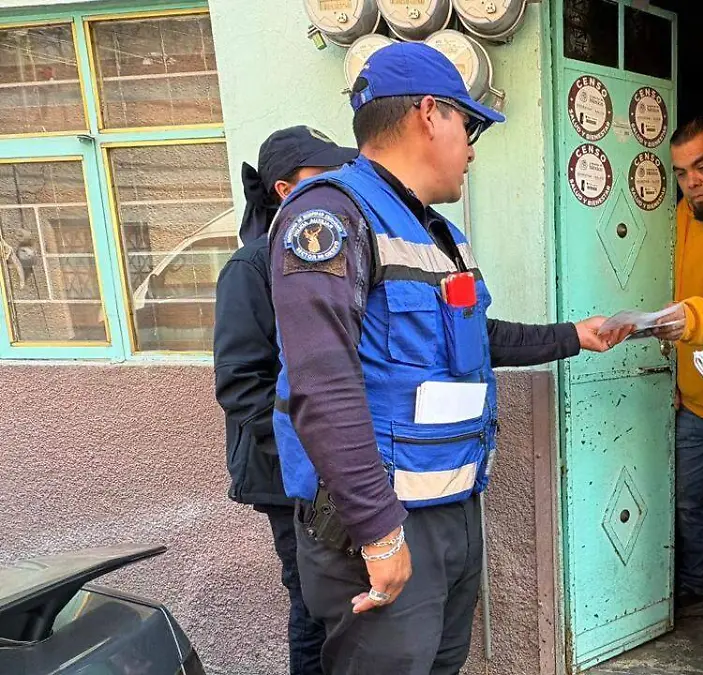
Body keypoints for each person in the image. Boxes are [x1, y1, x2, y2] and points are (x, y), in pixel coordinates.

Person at [267, 42, 625, 675]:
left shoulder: (438, 233)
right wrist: (379, 531)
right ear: (429, 114)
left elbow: (472, 340)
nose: (473, 149)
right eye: (470, 126)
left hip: (451, 508)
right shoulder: (330, 217)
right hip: (377, 520)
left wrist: (574, 335)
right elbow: (322, 385)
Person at [214, 125, 357, 675]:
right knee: (314, 604)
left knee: (346, 601)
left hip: (334, 466)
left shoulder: (324, 254)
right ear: (284, 189)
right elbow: (241, 386)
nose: (341, 185)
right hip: (287, 476)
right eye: (326, 174)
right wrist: (310, 457)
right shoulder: (252, 267)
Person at [654, 113, 703, 617]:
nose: (692, 181)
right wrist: (672, 379)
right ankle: (699, 590)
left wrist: (693, 317)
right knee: (688, 500)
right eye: (681, 172)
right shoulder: (679, 215)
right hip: (694, 400)